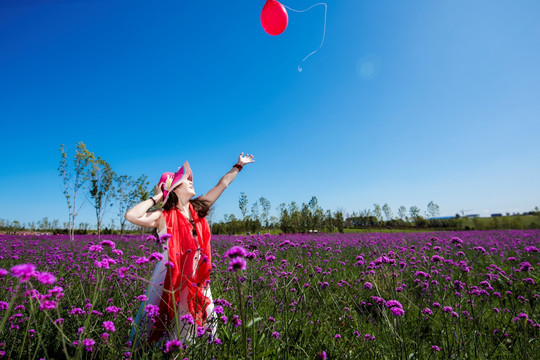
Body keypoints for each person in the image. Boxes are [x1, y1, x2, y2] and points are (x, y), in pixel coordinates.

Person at [125, 153, 255, 346]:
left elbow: (222, 185)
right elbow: (131, 215)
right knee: (165, 319)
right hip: (171, 275)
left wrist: (238, 166)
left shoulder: (198, 209)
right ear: (174, 189)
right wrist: (159, 196)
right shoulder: (163, 215)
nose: (192, 182)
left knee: (192, 322)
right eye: (186, 181)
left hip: (196, 276)